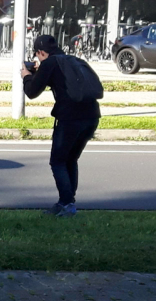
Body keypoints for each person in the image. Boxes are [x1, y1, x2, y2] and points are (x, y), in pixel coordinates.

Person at [21, 34, 101, 217]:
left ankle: (66, 204)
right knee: (70, 160)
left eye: (37, 54)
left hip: (70, 118)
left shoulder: (49, 64)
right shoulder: (72, 60)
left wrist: (26, 76)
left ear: (41, 52)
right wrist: (38, 72)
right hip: (91, 116)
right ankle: (67, 202)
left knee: (57, 161)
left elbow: (32, 92)